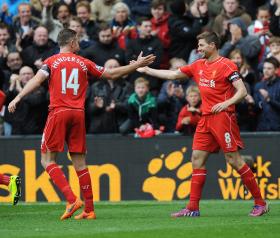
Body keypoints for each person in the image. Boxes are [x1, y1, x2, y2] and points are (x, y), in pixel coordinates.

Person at [8, 28, 155, 220]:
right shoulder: (84, 63)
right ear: (70, 42)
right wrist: (134, 66)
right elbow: (111, 74)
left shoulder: (51, 62)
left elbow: (37, 80)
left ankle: (72, 200)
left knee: (47, 160)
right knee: (80, 163)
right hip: (78, 114)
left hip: (59, 111)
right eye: (77, 40)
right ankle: (90, 209)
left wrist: (18, 97)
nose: (79, 43)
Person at [137, 31, 268, 217]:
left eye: (201, 45)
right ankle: (192, 208)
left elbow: (242, 91)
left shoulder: (227, 65)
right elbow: (174, 74)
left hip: (223, 117)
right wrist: (147, 70)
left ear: (213, 45)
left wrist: (226, 103)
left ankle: (260, 203)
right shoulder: (198, 65)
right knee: (196, 159)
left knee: (233, 160)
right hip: (205, 118)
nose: (198, 49)